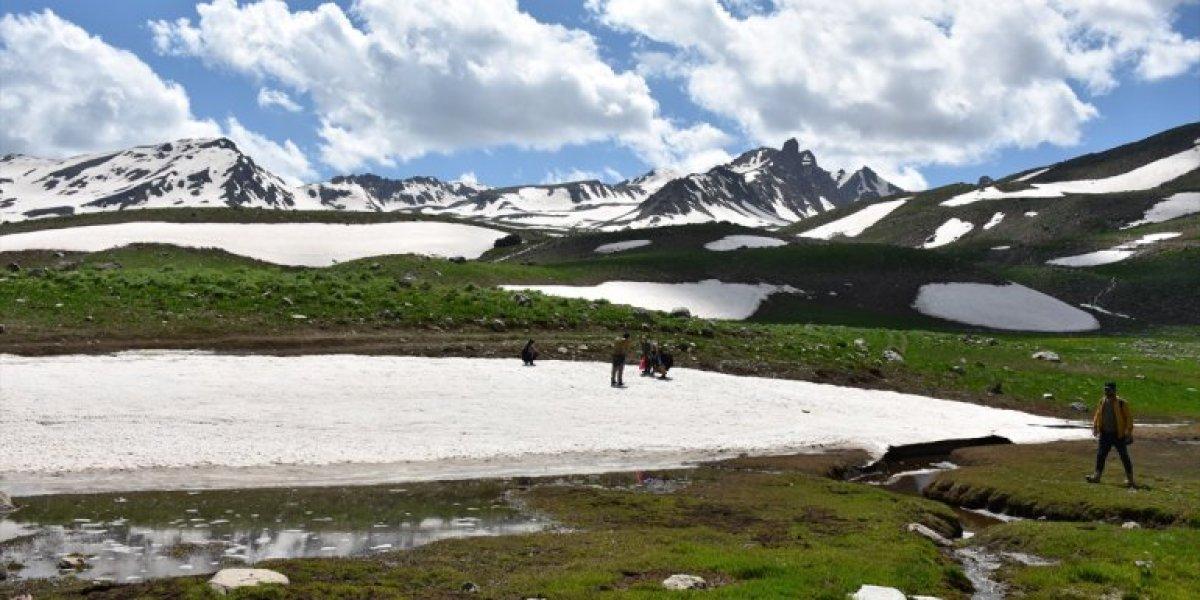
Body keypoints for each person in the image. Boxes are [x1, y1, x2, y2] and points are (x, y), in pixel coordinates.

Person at [1086, 382, 1135, 487]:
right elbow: (1097, 415)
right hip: (1104, 434)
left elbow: (1129, 418)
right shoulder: (1102, 401)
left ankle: (1130, 480)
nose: (1106, 391)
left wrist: (1128, 432)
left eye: (1109, 390)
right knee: (1100, 455)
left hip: (1118, 435)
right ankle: (1096, 477)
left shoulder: (1122, 403)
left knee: (1124, 456)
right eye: (1105, 389)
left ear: (1114, 390)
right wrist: (1095, 427)